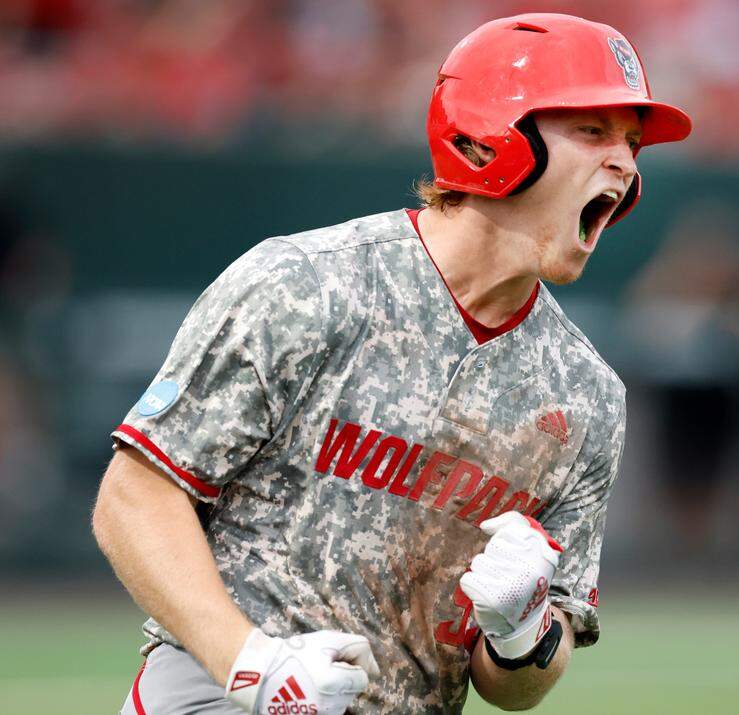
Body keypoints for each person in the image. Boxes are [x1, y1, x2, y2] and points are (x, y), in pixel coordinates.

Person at [92, 13, 690, 714]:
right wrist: (253, 665)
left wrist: (522, 630)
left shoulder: (585, 395)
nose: (624, 162)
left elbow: (520, 686)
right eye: (593, 131)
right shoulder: (307, 284)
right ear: (492, 132)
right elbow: (134, 496)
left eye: (632, 143)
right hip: (218, 693)